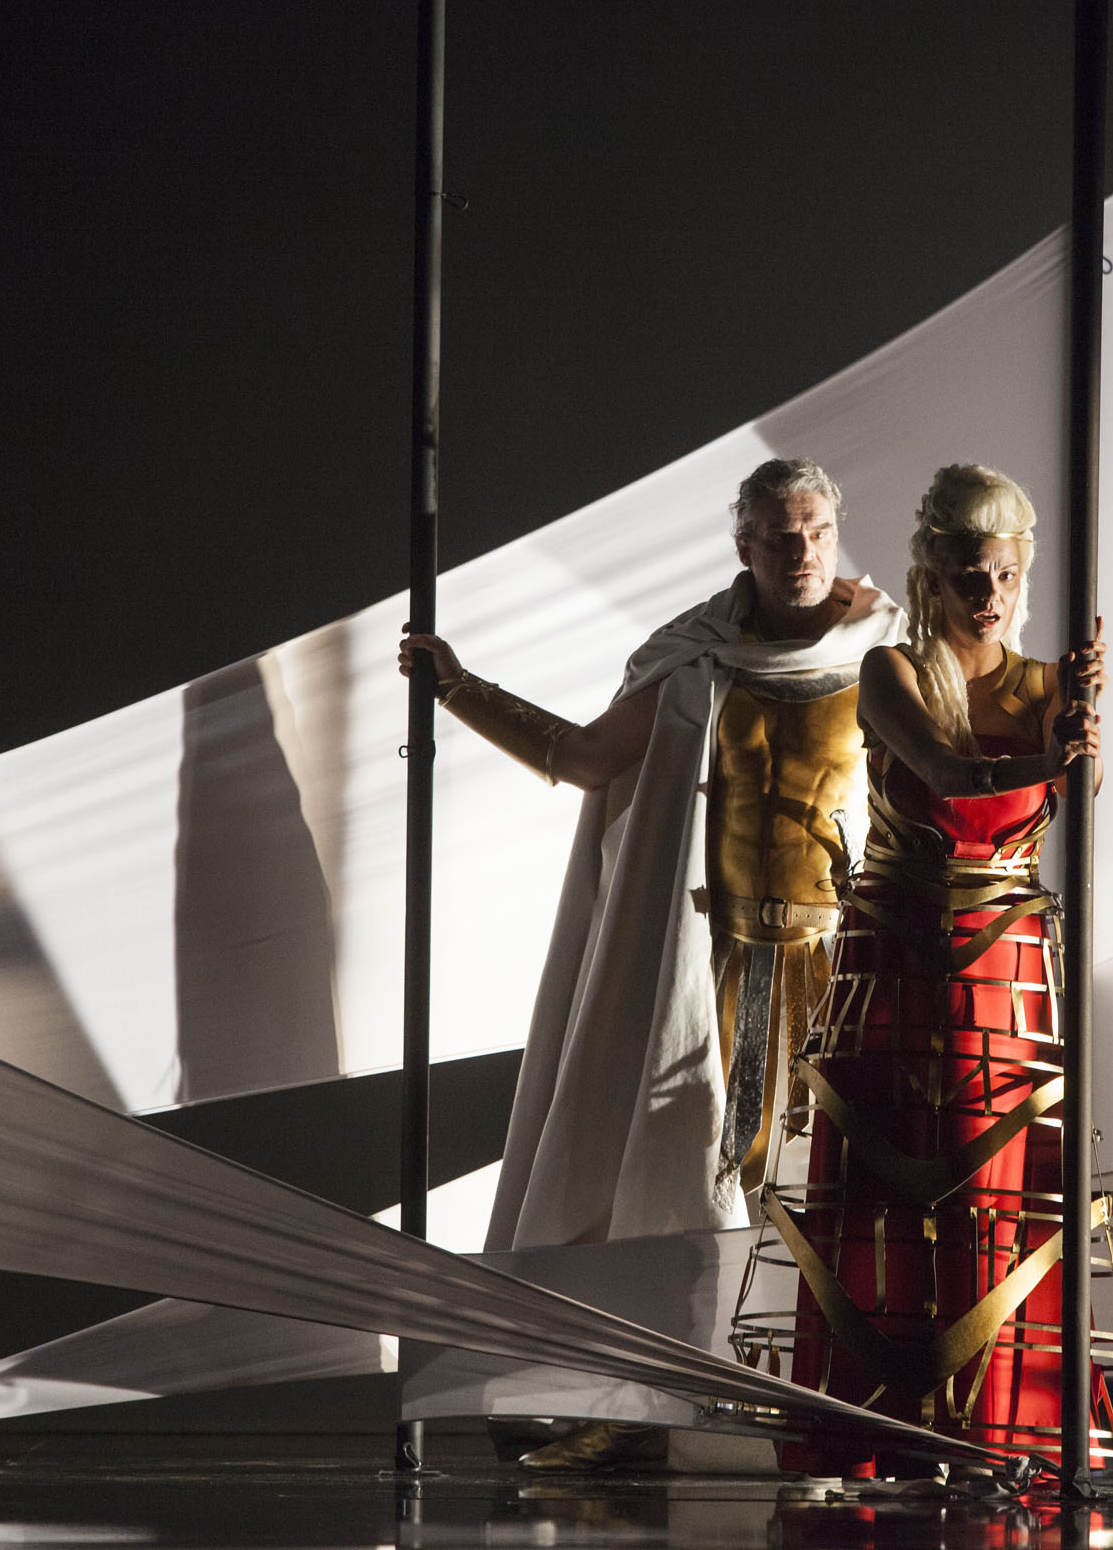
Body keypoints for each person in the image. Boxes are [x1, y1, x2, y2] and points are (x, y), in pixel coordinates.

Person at [399, 456, 905, 1472]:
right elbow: (585, 758)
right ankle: (644, 1404)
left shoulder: (885, 656)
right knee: (686, 1177)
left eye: (815, 531)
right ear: (744, 546)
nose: (802, 552)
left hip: (835, 970)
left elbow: (945, 776)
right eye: (780, 535)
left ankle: (826, 1408)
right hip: (711, 965)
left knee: (827, 1188)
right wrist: (457, 687)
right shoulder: (695, 661)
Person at [729, 464, 1113, 1476]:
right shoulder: (891, 671)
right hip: (898, 968)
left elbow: (1086, 791)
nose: (990, 594)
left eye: (1005, 574)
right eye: (970, 575)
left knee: (997, 1195)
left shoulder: (1048, 684)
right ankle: (873, 1432)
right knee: (887, 1193)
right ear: (932, 575)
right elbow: (949, 773)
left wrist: (1083, 722)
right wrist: (1052, 754)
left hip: (1005, 970)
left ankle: (996, 1429)